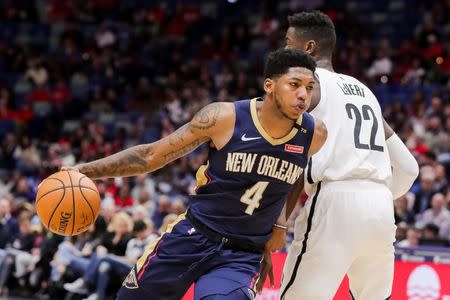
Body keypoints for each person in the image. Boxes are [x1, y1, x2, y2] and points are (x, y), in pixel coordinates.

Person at [61, 48, 327, 300]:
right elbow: (150, 156)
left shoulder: (314, 135)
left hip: (241, 253)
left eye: (309, 87)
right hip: (194, 234)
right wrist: (85, 170)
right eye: (294, 85)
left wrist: (279, 225)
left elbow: (294, 177)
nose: (304, 94)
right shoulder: (225, 117)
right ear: (270, 86)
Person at [257, 11, 419, 300]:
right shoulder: (364, 91)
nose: (283, 49)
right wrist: (374, 195)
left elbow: (290, 160)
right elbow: (409, 167)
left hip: (335, 200)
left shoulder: (306, 87)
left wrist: (278, 222)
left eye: (288, 42)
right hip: (381, 206)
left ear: (308, 48)